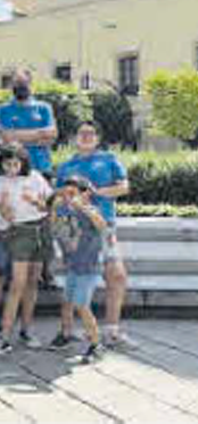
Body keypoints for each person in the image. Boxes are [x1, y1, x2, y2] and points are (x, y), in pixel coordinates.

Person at [56, 120, 133, 349]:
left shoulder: (109, 160)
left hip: (103, 225)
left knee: (116, 274)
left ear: (97, 138)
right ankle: (67, 331)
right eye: (82, 133)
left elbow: (123, 187)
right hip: (74, 227)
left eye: (91, 133)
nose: (86, 136)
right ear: (75, 138)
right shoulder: (66, 166)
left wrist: (94, 193)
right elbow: (59, 195)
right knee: (72, 278)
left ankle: (112, 330)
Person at [0, 145, 53, 355]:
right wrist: (5, 205)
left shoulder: (35, 177)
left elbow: (49, 206)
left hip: (41, 229)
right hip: (19, 231)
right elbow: (6, 217)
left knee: (33, 282)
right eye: (8, 164)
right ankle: (4, 337)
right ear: (1, 163)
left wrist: (35, 201)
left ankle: (26, 330)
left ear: (23, 162)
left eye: (16, 163)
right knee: (17, 283)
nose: (12, 168)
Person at [48, 176, 108, 364]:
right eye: (65, 194)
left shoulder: (90, 210)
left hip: (88, 267)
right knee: (67, 302)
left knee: (82, 305)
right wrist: (54, 208)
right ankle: (66, 334)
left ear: (86, 194)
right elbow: (54, 228)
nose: (67, 198)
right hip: (73, 266)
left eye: (72, 194)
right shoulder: (65, 212)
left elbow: (102, 225)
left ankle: (96, 344)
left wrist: (82, 207)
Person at [0, 69, 58, 176]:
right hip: (15, 169)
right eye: (17, 83)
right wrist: (39, 135)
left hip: (42, 166)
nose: (21, 86)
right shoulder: (3, 110)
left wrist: (18, 137)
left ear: (30, 84)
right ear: (11, 85)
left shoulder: (44, 108)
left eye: (24, 83)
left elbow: (52, 136)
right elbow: (7, 138)